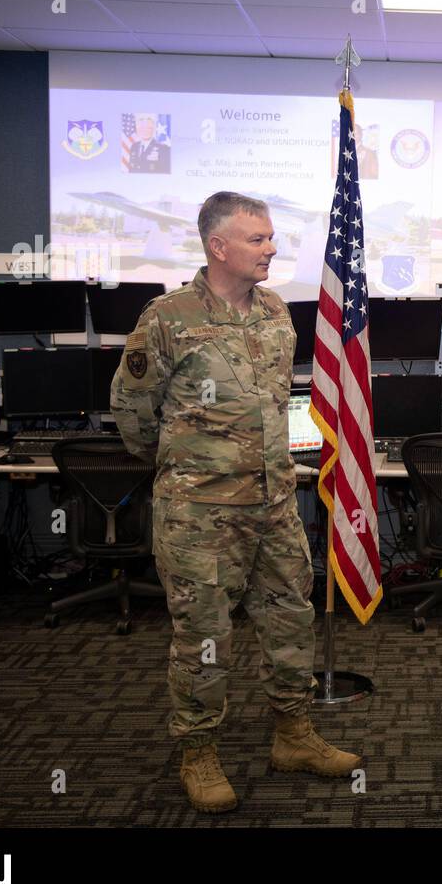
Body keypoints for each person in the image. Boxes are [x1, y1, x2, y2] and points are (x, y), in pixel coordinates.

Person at [111, 191, 360, 813]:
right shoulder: (166, 318)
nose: (271, 248)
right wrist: (189, 469)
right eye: (257, 239)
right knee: (204, 636)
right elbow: (133, 415)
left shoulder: (276, 311)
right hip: (200, 515)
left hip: (274, 502)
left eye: (271, 238)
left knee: (289, 621)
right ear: (218, 247)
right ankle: (199, 751)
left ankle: (294, 735)